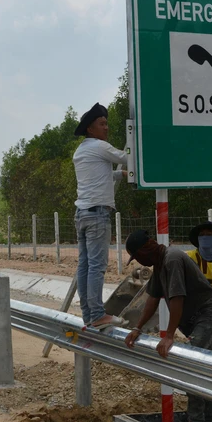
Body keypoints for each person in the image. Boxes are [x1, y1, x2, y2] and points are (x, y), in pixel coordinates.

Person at [123, 230, 212, 422]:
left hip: (208, 315)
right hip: (197, 319)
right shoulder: (161, 264)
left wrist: (169, 335)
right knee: (203, 368)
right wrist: (138, 328)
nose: (139, 262)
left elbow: (177, 297)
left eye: (137, 256)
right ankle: (209, 419)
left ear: (146, 249)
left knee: (191, 364)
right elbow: (152, 298)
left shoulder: (172, 259)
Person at [72, 102, 127, 329]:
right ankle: (97, 314)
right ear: (90, 129)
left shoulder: (82, 150)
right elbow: (126, 157)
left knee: (85, 266)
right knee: (96, 266)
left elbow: (100, 176)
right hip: (97, 215)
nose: (106, 128)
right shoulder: (100, 147)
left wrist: (120, 175)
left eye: (107, 124)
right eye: (102, 124)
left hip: (82, 214)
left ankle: (89, 314)